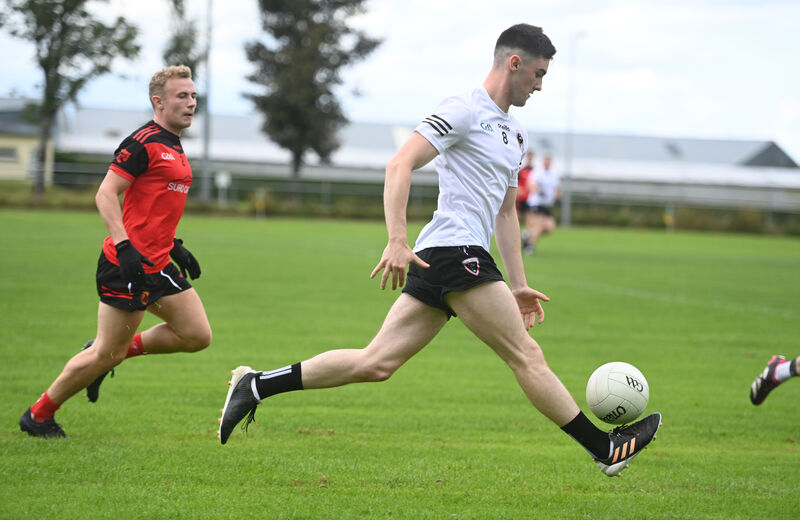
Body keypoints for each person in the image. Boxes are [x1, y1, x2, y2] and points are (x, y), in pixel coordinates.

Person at [217, 24, 661, 477]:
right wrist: (395, 238)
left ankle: (256, 386)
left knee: (377, 362)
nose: (541, 85)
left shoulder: (516, 134)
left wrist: (520, 285)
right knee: (525, 355)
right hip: (454, 250)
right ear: (515, 64)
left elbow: (507, 214)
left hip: (448, 256)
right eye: (538, 74)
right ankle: (604, 449)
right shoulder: (463, 109)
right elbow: (400, 163)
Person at [19, 65, 212, 438]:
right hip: (127, 266)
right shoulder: (142, 142)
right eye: (181, 96)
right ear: (158, 101)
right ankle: (38, 415)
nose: (191, 103)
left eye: (193, 96)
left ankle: (116, 350)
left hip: (158, 262)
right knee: (104, 354)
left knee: (196, 335)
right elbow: (105, 194)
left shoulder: (174, 143)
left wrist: (175, 246)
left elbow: (151, 205)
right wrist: (124, 247)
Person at [524, 153, 561, 254]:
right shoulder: (537, 172)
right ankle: (530, 246)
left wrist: (558, 197)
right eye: (545, 160)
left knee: (549, 227)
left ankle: (528, 235)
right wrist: (538, 191)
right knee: (538, 225)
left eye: (549, 160)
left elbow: (557, 189)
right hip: (537, 203)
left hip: (547, 205)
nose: (547, 162)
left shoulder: (554, 174)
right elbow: (530, 184)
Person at [516, 151, 535, 253]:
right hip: (521, 199)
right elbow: (516, 182)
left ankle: (527, 242)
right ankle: (516, 242)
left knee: (530, 222)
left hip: (529, 200)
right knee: (516, 221)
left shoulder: (535, 171)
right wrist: (519, 190)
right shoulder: (522, 170)